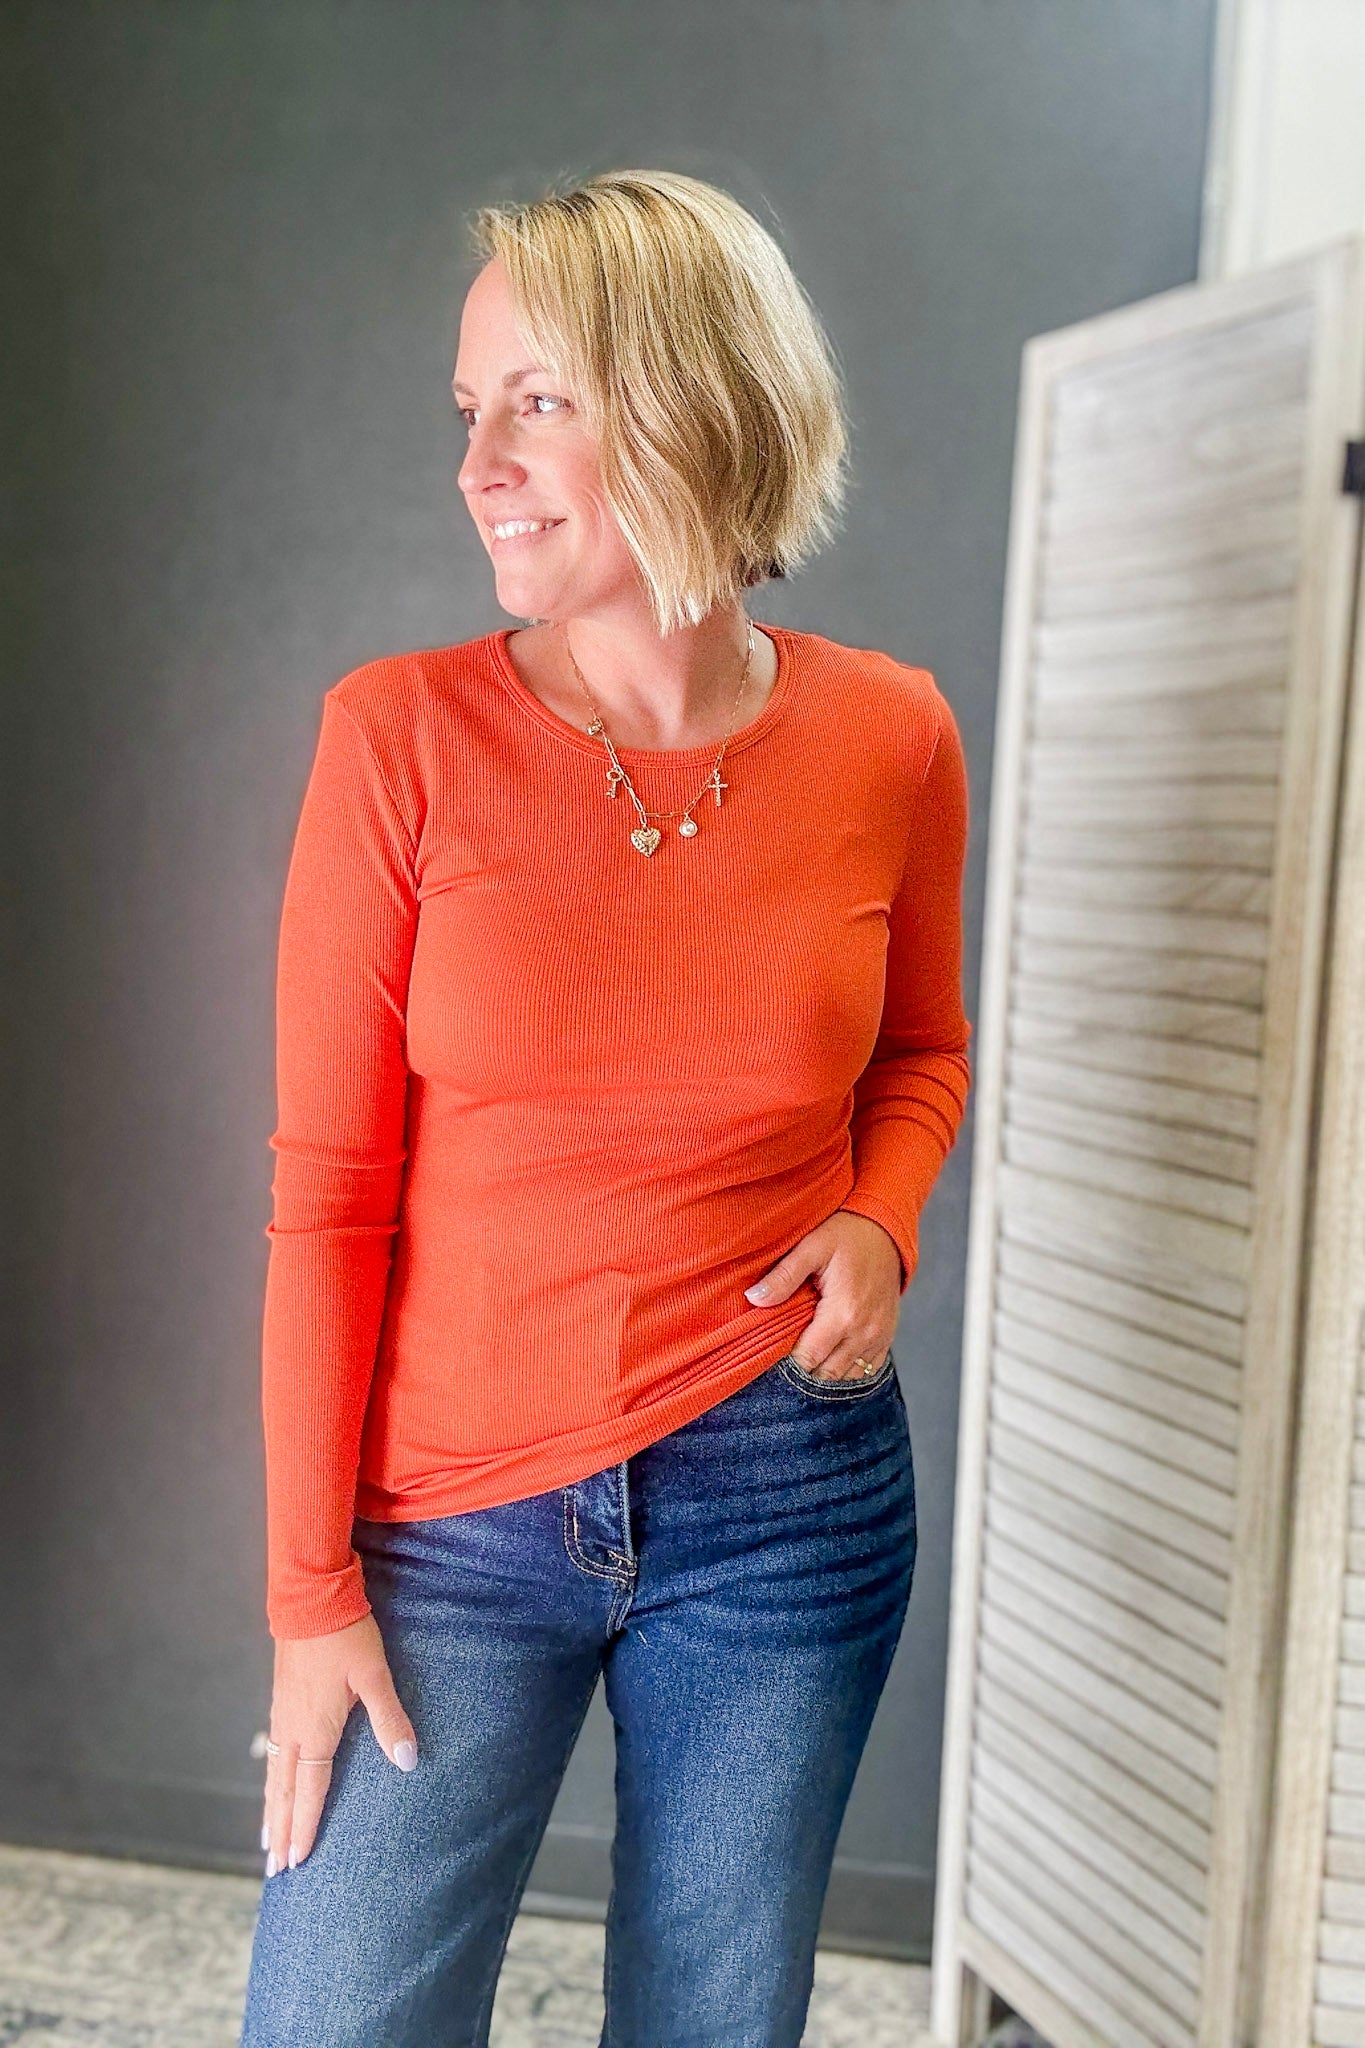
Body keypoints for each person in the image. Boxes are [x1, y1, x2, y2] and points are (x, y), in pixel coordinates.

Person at [240, 166, 972, 2048]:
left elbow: (921, 1050)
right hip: (448, 1523)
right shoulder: (400, 736)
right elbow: (330, 1195)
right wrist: (310, 1595)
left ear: (694, 402)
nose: (477, 462)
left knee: (713, 2021)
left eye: (537, 401)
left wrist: (881, 1218)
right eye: (466, 408)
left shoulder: (888, 733)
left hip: (788, 1488)